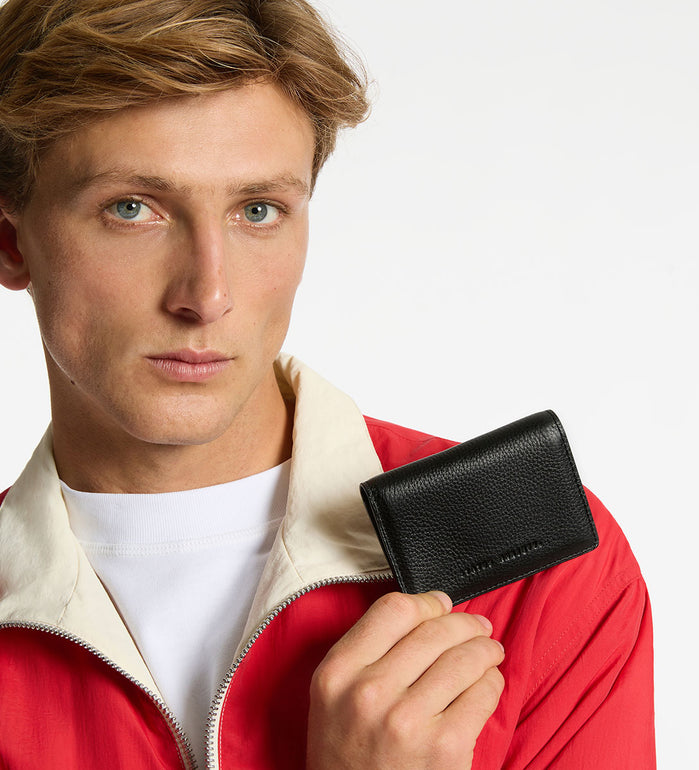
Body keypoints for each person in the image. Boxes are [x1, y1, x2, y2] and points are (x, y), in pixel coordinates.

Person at [0, 0, 655, 767]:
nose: (207, 295)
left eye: (257, 210)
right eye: (132, 208)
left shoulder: (533, 561)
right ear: (11, 242)